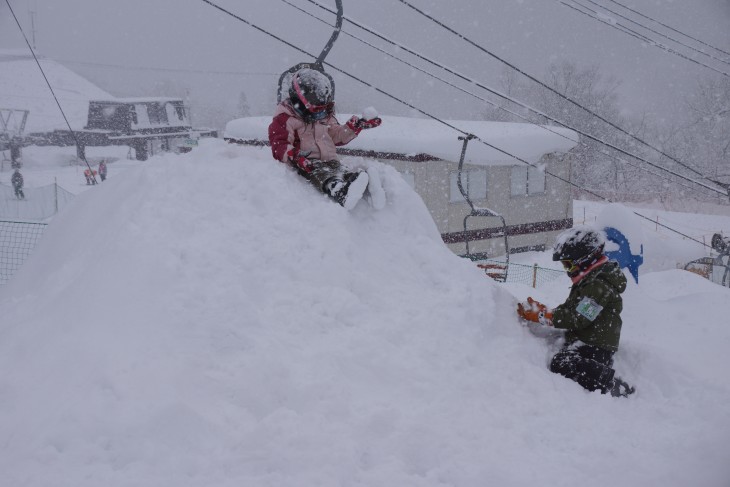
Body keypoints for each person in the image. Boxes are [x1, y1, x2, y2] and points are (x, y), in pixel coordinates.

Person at [517, 225, 635, 397]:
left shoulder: (599, 284)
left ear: (585, 259)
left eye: (568, 264)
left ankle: (610, 383)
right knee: (563, 357)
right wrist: (546, 310)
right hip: (585, 340)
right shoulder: (589, 281)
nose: (567, 270)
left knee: (561, 363)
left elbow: (579, 318)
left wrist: (544, 316)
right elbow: (571, 309)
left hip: (597, 346)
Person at [268, 68, 382, 210]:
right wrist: (295, 156)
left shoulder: (324, 114)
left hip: (330, 160)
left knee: (342, 171)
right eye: (315, 111)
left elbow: (335, 136)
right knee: (322, 174)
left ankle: (369, 190)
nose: (319, 115)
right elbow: (279, 144)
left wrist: (355, 127)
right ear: (299, 98)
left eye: (321, 111)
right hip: (307, 163)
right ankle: (340, 192)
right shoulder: (286, 118)